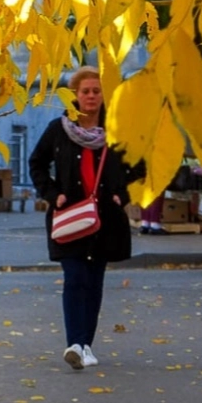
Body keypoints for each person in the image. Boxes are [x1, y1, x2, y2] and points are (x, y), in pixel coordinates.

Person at [29, 66, 133, 371]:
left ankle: (86, 344)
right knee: (75, 279)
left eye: (96, 91)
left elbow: (139, 166)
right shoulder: (58, 129)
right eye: (85, 91)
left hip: (104, 221)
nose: (90, 96)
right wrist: (52, 194)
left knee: (93, 282)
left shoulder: (116, 131)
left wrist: (121, 196)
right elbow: (36, 163)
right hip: (70, 218)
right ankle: (74, 343)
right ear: (74, 96)